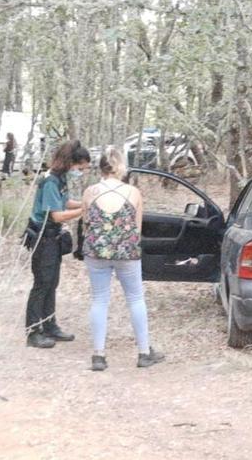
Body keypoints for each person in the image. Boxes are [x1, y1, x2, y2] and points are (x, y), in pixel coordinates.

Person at [82, 147, 164, 371]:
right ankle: (144, 352)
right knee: (136, 299)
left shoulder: (90, 192)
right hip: (127, 253)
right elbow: (137, 228)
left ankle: (98, 355)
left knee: (99, 300)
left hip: (96, 252)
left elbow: (86, 223)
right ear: (121, 167)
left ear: (100, 167)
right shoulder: (133, 192)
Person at [24, 140, 91, 348]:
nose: (80, 172)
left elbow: (64, 202)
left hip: (53, 239)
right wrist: (84, 211)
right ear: (71, 162)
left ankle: (49, 325)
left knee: (52, 282)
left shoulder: (60, 179)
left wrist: (85, 203)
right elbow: (57, 215)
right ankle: (34, 332)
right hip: (43, 238)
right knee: (42, 283)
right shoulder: (50, 181)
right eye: (80, 168)